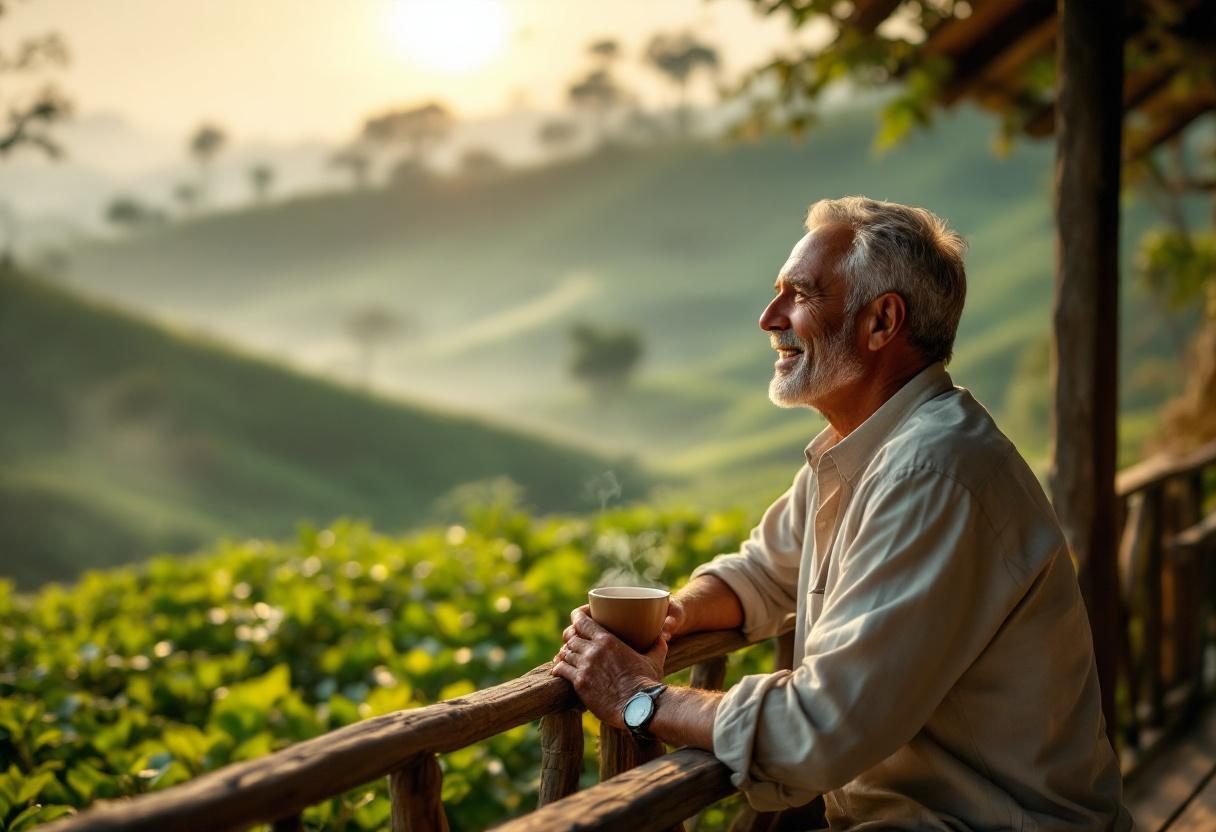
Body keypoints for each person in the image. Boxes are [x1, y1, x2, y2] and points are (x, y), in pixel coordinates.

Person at [552, 197, 1131, 830]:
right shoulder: (866, 449)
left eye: (798, 295)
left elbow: (817, 728)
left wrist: (640, 699)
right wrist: (675, 615)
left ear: (882, 321)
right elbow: (763, 572)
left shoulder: (932, 471)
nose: (769, 318)